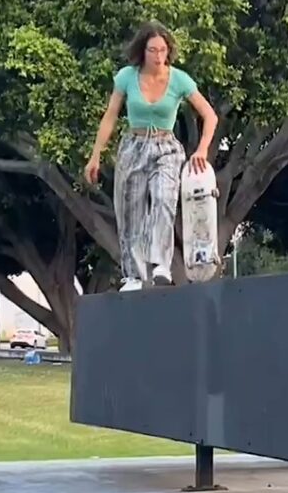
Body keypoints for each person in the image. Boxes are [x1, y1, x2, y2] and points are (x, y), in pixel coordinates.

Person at [84, 21, 217, 291]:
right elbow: (110, 116)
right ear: (142, 51)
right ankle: (133, 275)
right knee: (130, 210)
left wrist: (202, 148)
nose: (158, 57)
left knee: (163, 199)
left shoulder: (179, 79)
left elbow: (209, 115)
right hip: (134, 145)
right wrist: (95, 155)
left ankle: (161, 264)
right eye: (153, 50)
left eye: (163, 51)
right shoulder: (126, 77)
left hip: (166, 147)